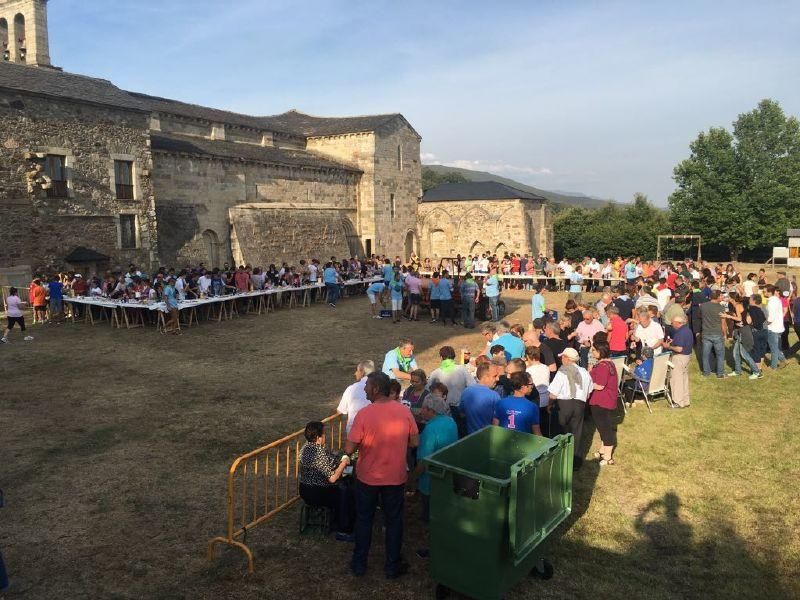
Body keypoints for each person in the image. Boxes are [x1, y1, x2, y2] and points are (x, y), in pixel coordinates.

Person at [346, 372, 419, 579]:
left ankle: (359, 564)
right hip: (395, 477)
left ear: (376, 389)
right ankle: (392, 566)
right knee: (394, 520)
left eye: (367, 386)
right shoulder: (403, 412)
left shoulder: (364, 414)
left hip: (367, 478)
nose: (365, 389)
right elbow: (414, 442)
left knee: (364, 520)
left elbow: (349, 448)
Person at [298, 421, 354, 541]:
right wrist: (343, 463)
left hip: (304, 490)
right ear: (318, 438)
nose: (325, 436)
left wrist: (338, 460)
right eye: (324, 434)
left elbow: (330, 460)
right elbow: (333, 478)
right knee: (344, 490)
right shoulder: (319, 453)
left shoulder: (304, 448)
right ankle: (344, 529)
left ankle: (338, 520)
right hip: (318, 493)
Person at [408, 395, 458, 527]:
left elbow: (423, 462)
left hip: (430, 481)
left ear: (431, 410)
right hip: (446, 477)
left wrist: (412, 478)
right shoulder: (451, 421)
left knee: (429, 516)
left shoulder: (430, 429)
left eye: (424, 408)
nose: (421, 411)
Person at [548, 347, 592, 468]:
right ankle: (575, 462)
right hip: (580, 404)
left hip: (563, 404)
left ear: (567, 359)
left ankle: (558, 460)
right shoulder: (584, 372)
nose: (561, 359)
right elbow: (589, 392)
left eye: (563, 357)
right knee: (577, 432)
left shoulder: (562, 371)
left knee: (560, 432)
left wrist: (550, 404)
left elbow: (553, 393)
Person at [589, 341, 619, 465]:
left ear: (600, 351)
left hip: (601, 401)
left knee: (605, 428)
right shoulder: (609, 363)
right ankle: (602, 450)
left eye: (594, 350)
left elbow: (600, 385)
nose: (592, 352)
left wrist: (588, 384)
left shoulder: (602, 366)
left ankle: (608, 457)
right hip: (606, 400)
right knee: (602, 427)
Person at [428, 346, 475, 419]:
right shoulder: (462, 370)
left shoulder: (435, 373)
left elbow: (428, 389)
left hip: (442, 410)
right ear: (454, 356)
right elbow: (472, 386)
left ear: (441, 357)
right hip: (459, 408)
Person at [459, 362, 501, 436]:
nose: (498, 379)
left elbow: (462, 414)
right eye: (495, 376)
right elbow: (496, 423)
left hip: (470, 438)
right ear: (485, 377)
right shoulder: (495, 396)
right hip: (488, 437)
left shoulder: (466, 391)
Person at [664, 314, 693, 407]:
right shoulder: (687, 330)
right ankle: (685, 400)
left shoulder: (680, 333)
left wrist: (669, 346)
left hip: (679, 357)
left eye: (672, 323)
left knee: (676, 380)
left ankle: (678, 402)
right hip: (686, 357)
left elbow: (679, 349)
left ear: (678, 323)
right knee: (684, 379)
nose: (671, 324)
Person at [337, 361, 375, 433]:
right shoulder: (380, 387)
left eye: (357, 371)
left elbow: (340, 410)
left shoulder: (352, 389)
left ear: (362, 372)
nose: (355, 373)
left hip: (355, 432)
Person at [699, 290, 726, 377]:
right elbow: (723, 323)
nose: (722, 297)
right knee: (720, 355)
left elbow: (700, 316)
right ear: (717, 297)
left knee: (705, 355)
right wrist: (725, 334)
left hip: (706, 333)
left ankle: (706, 372)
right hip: (717, 333)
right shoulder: (721, 308)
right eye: (721, 296)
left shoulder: (703, 306)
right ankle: (720, 373)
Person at [764, 285, 788, 370]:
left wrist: (764, 324)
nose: (764, 293)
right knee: (775, 347)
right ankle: (783, 359)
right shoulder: (776, 299)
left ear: (769, 292)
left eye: (765, 291)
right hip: (778, 326)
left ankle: (773, 366)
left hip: (773, 328)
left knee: (773, 348)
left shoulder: (772, 302)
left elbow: (771, 317)